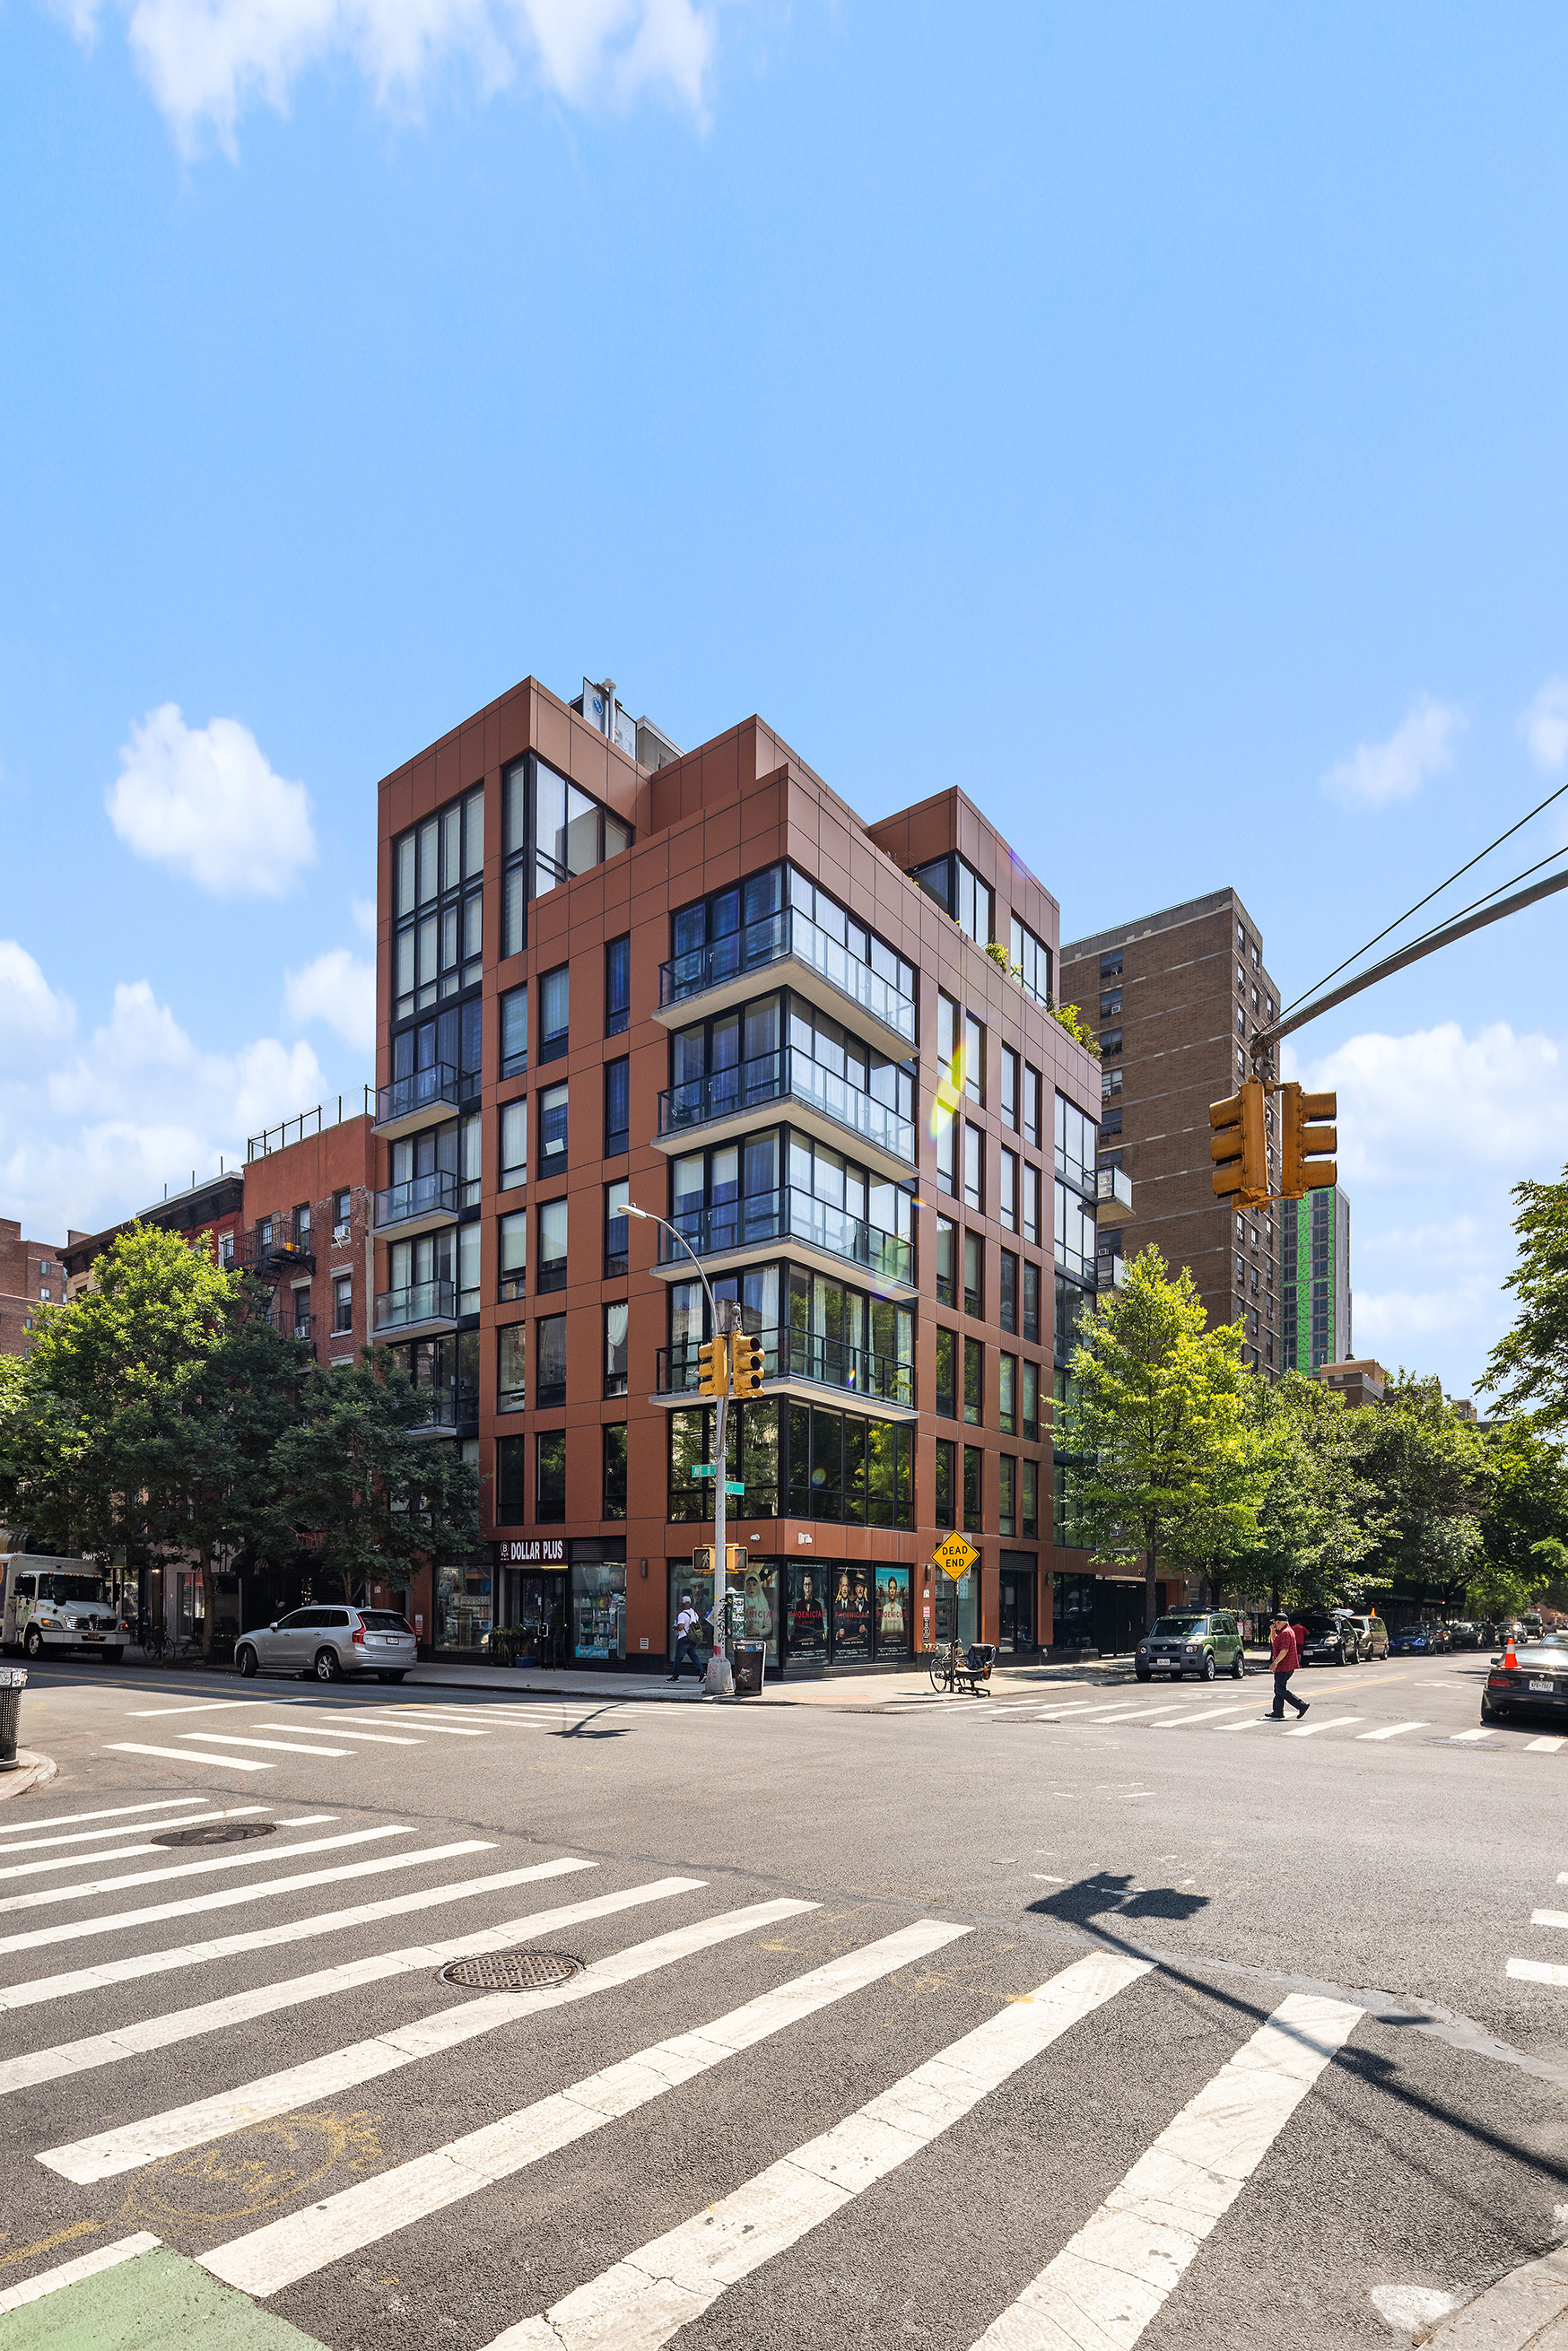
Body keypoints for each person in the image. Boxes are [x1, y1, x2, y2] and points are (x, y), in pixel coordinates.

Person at [1270, 1611, 1310, 1720]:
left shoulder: (1286, 1633)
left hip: (1285, 1666)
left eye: (1275, 1623)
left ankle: (1301, 1705)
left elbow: (1284, 1650)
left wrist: (1275, 1662)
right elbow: (1274, 1642)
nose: (1275, 1625)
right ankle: (1277, 1711)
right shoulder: (1283, 1632)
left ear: (1279, 1622)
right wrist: (1272, 1631)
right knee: (1278, 1688)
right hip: (1283, 1666)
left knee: (1280, 1689)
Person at [669, 1593, 702, 1682]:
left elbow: (680, 1627)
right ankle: (702, 1673)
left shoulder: (682, 1615)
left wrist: (674, 1627)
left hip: (684, 1638)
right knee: (694, 1656)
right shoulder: (694, 1613)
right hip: (693, 1639)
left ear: (683, 1604)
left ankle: (675, 1676)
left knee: (678, 1658)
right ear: (690, 1603)